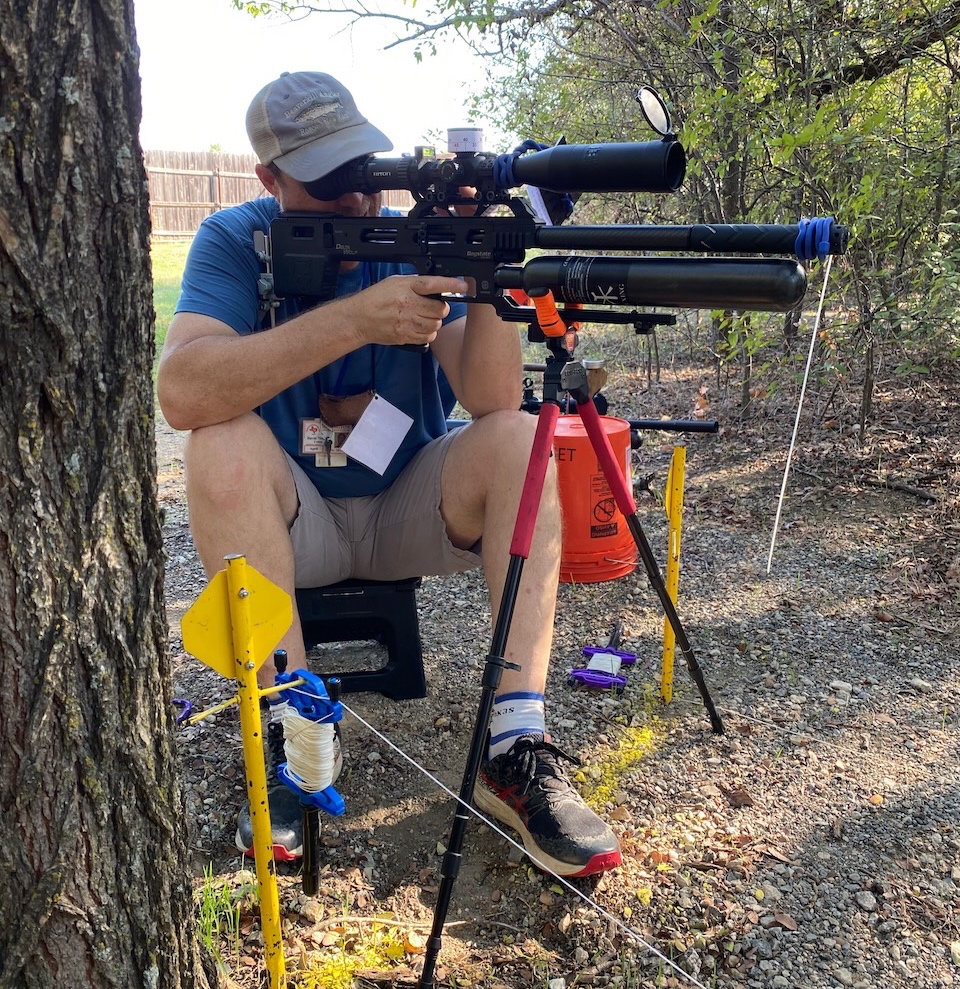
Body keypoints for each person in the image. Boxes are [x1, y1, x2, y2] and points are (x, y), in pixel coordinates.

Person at [157, 71, 621, 879]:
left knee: (519, 439)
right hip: (291, 519)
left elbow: (490, 400)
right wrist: (353, 322)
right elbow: (183, 391)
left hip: (406, 501)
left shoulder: (411, 236)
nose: (357, 203)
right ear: (270, 179)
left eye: (364, 174)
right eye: (330, 183)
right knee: (216, 440)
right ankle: (297, 743)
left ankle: (516, 742)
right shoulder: (239, 238)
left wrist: (482, 269)